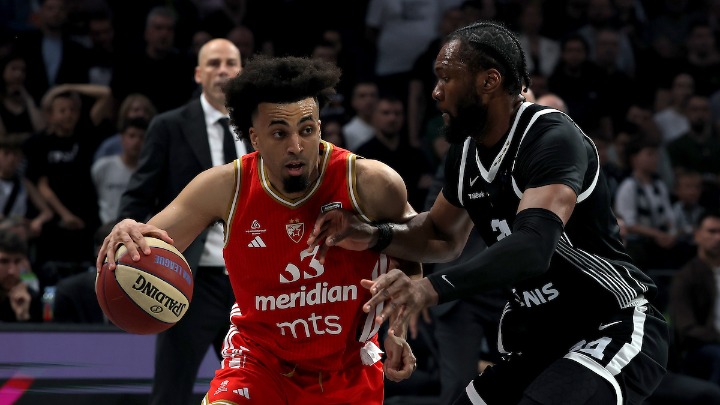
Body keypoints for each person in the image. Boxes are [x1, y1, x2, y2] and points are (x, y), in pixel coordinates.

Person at [308, 21, 669, 405]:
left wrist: (428, 289)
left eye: (446, 77)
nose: (436, 92)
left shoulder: (551, 137)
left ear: (489, 81)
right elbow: (439, 235)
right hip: (543, 340)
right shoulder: (464, 154)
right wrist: (371, 233)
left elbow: (534, 247)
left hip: (609, 323)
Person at [98, 54, 418, 404]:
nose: (296, 146)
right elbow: (146, 244)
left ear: (319, 127)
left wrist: (398, 330)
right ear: (255, 138)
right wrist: (128, 232)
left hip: (347, 369)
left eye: (306, 130)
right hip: (259, 363)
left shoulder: (369, 182)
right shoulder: (225, 186)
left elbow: (413, 249)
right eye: (279, 133)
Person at [116, 38, 246, 405]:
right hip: (187, 279)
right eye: (214, 63)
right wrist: (126, 228)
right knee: (171, 390)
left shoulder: (260, 127)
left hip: (249, 280)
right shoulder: (169, 125)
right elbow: (138, 194)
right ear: (198, 74)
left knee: (256, 389)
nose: (223, 70)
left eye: (231, 63)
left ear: (241, 72)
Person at [669, 209, 720, 385]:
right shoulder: (686, 277)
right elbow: (686, 328)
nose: (718, 238)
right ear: (697, 235)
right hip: (700, 348)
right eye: (712, 231)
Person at [0, 228, 42, 322]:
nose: (12, 271)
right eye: (4, 261)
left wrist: (23, 315)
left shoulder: (30, 298)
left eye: (17, 261)